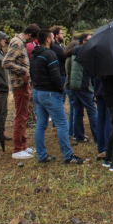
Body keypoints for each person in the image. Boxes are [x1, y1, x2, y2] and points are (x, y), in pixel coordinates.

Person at [30, 29, 86, 164]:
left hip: (37, 92)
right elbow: (55, 75)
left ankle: (41, 155)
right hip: (49, 93)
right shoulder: (50, 54)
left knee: (41, 125)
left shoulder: (34, 55)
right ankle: (68, 155)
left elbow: (31, 74)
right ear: (48, 39)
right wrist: (60, 89)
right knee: (62, 124)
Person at [2, 24, 39, 160]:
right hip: (19, 84)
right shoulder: (17, 43)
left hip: (23, 84)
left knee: (24, 114)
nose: (31, 43)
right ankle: (17, 149)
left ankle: (23, 146)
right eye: (32, 39)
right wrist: (23, 70)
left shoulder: (20, 42)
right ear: (29, 35)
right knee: (20, 116)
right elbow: (6, 62)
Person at [67, 33, 98, 143]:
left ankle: (79, 136)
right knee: (92, 111)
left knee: (78, 111)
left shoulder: (74, 51)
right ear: (84, 42)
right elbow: (92, 71)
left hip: (74, 85)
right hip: (83, 85)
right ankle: (97, 137)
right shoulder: (87, 53)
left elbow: (68, 69)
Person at [63, 40, 85, 141]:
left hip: (69, 86)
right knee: (75, 110)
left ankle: (72, 131)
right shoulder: (72, 59)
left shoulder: (68, 58)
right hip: (71, 87)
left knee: (73, 109)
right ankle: (74, 132)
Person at [94, 77, 113, 160]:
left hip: (98, 90)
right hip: (108, 91)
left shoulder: (95, 64)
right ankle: (108, 149)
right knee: (109, 120)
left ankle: (101, 147)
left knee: (100, 119)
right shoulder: (110, 64)